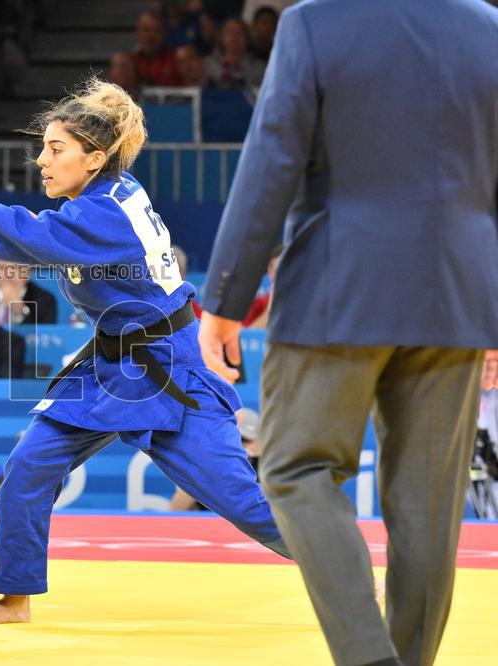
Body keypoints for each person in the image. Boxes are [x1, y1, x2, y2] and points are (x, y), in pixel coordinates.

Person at [0, 78, 289, 625]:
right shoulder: (106, 195)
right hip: (112, 359)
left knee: (240, 501)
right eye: (43, 148)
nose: (41, 161)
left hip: (168, 367)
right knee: (29, 466)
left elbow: (26, 235)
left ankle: (345, 570)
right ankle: (13, 598)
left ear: (94, 158)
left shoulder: (105, 213)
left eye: (55, 149)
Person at [197, 1, 498, 664]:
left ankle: (368, 656)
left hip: (341, 286)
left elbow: (272, 161)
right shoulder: (488, 27)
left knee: (294, 467)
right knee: (428, 501)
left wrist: (225, 298)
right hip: (457, 291)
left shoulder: (315, 22)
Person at [0, 258, 57, 326]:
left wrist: (20, 311)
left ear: (28, 272)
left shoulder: (44, 300)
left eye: (15, 268)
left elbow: (44, 331)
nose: (8, 274)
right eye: (2, 268)